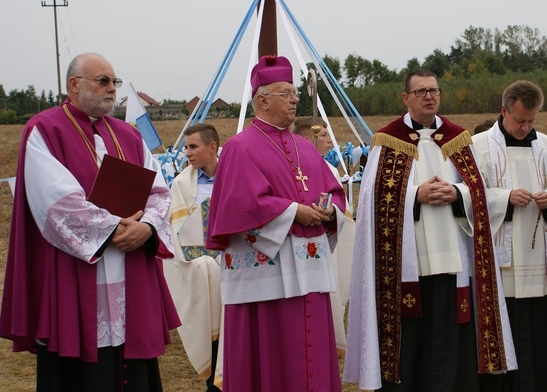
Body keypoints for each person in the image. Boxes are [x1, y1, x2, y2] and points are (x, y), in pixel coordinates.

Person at [0, 52, 180, 391]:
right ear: (74, 84)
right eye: (103, 81)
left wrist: (149, 228)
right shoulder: (45, 130)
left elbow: (159, 191)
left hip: (130, 268)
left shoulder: (128, 135)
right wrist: (117, 229)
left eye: (115, 82)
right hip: (77, 272)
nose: (112, 88)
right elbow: (57, 203)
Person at [344, 69, 516, 391]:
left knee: (451, 336)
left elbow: (478, 192)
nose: (429, 97)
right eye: (421, 91)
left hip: (454, 262)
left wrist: (456, 193)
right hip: (407, 266)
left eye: (434, 90)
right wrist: (414, 196)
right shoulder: (387, 141)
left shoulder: (457, 140)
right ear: (406, 98)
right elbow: (370, 200)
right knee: (412, 340)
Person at [206, 55, 346, 392]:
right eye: (285, 93)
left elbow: (333, 191)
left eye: (295, 92)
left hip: (308, 266)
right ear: (261, 101)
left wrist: (329, 211)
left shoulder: (305, 147)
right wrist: (293, 212)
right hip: (266, 273)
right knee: (271, 353)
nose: (294, 99)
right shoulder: (240, 148)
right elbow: (240, 205)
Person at [472, 80, 547, 391]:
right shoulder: (477, 146)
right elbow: (469, 194)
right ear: (503, 110)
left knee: (539, 332)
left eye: (531, 120)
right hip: (500, 263)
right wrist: (505, 198)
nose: (525, 127)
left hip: (538, 259)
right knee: (507, 327)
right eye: (519, 120)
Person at [164, 123, 223, 391]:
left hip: (234, 259)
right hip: (199, 267)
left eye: (193, 146)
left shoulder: (234, 174)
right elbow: (176, 232)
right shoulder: (180, 184)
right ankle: (214, 380)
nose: (187, 152)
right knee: (211, 329)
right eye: (186, 147)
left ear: (212, 147)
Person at [292, 116, 356, 356]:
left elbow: (340, 208)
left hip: (324, 242)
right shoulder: (293, 167)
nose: (330, 142)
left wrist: (330, 214)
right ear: (308, 139)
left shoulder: (328, 168)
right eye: (324, 136)